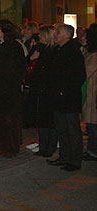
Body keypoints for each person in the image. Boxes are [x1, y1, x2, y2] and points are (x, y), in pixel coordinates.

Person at [47, 23, 86, 171]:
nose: (55, 34)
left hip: (68, 98)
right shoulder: (59, 50)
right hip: (59, 97)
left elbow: (78, 76)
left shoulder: (72, 51)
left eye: (58, 32)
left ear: (66, 35)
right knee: (62, 129)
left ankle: (74, 160)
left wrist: (64, 90)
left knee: (72, 129)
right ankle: (65, 156)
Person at [0, 20, 27, 157]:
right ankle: (3, 146)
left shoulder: (14, 47)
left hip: (9, 90)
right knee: (0, 119)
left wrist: (10, 84)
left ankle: (12, 147)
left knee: (10, 119)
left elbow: (18, 69)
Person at [29, 25, 58, 157]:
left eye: (41, 34)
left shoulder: (52, 52)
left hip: (48, 91)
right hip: (41, 90)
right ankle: (44, 146)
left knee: (48, 121)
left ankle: (48, 147)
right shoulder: (42, 50)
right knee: (42, 120)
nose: (39, 36)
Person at [82, 23, 97, 162]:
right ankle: (92, 149)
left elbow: (85, 72)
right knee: (91, 125)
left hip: (93, 96)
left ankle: (93, 151)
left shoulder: (94, 56)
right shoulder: (90, 54)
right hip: (90, 95)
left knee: (93, 125)